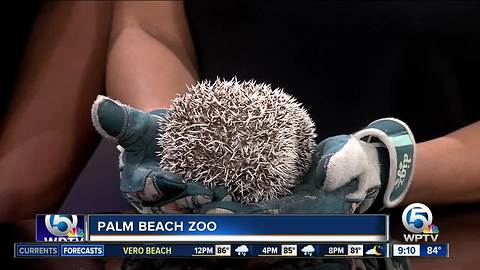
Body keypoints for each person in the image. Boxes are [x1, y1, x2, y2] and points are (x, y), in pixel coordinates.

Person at [1, 1, 479, 220]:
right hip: (221, 231)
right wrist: (178, 146)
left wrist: (365, 174)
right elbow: (149, 27)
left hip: (437, 227)